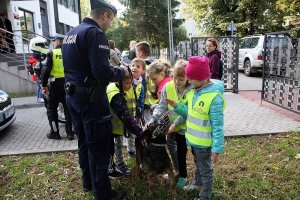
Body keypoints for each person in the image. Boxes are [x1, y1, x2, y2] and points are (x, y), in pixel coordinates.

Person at [61, 1, 129, 199]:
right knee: (99, 145)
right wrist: (122, 71)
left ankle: (88, 182)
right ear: (105, 15)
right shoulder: (95, 33)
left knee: (84, 141)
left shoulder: (71, 33)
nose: (110, 25)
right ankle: (103, 193)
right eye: (111, 20)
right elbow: (101, 72)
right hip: (91, 100)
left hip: (73, 96)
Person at [165, 56, 225, 200]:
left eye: (191, 78)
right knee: (198, 163)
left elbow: (218, 126)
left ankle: (205, 195)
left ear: (201, 78)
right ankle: (197, 183)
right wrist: (176, 106)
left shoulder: (214, 97)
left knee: (206, 169)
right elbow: (188, 112)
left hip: (205, 143)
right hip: (194, 141)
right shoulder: (194, 92)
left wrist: (217, 148)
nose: (188, 81)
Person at [147, 59, 192, 189]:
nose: (177, 82)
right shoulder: (168, 86)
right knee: (171, 148)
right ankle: (176, 169)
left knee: (182, 152)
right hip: (170, 124)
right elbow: (162, 106)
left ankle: (183, 175)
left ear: (188, 78)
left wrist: (176, 123)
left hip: (184, 126)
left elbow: (187, 111)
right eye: (175, 78)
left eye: (181, 79)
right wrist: (153, 119)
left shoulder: (191, 89)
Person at [106, 75, 143, 177]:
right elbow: (125, 115)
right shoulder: (114, 93)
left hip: (122, 125)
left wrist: (138, 115)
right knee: (112, 147)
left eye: (131, 82)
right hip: (113, 126)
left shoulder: (128, 87)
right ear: (118, 82)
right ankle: (113, 167)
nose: (130, 85)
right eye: (127, 83)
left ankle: (117, 164)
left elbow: (134, 102)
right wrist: (139, 131)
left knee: (118, 145)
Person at [41, 34, 74, 141]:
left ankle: (55, 133)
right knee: (69, 109)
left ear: (58, 42)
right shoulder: (70, 53)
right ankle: (70, 133)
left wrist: (44, 85)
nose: (54, 43)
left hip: (55, 85)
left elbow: (45, 71)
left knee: (51, 109)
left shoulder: (52, 53)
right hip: (68, 84)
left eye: (54, 41)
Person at [126, 58, 146, 158]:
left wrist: (139, 116)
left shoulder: (141, 86)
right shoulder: (125, 81)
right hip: (123, 112)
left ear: (143, 70)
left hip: (133, 114)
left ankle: (131, 151)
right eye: (133, 65)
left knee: (132, 133)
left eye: (138, 66)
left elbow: (141, 102)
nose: (134, 68)